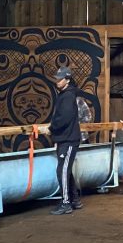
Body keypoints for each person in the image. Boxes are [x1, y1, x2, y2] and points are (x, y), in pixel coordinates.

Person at [49, 66, 83, 215]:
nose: (57, 81)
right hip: (65, 138)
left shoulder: (68, 96)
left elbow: (64, 118)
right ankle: (74, 199)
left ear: (67, 80)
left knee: (61, 170)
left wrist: (51, 128)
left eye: (60, 79)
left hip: (69, 139)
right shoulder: (64, 94)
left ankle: (66, 203)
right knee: (65, 170)